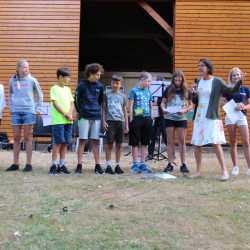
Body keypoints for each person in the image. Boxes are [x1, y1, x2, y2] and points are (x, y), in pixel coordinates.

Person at [191, 58, 242, 181]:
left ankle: (224, 171)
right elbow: (195, 101)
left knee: (215, 142)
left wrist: (239, 82)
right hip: (199, 116)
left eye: (202, 66)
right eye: (199, 66)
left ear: (208, 68)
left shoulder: (217, 81)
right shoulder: (199, 82)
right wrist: (193, 94)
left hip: (212, 116)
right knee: (197, 143)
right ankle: (198, 171)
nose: (200, 68)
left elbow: (231, 90)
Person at [7, 59, 43, 172]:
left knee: (27, 137)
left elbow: (40, 95)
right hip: (16, 112)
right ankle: (15, 163)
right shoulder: (12, 81)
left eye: (27, 67)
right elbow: (10, 94)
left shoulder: (32, 80)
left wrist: (35, 109)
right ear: (18, 68)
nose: (26, 69)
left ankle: (28, 164)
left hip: (29, 111)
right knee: (16, 137)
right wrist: (11, 107)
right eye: (24, 67)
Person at [74, 63, 104, 174]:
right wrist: (80, 112)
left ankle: (97, 165)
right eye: (97, 74)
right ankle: (79, 165)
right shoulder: (81, 85)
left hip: (96, 117)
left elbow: (101, 102)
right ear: (90, 74)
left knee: (95, 141)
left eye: (100, 75)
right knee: (82, 140)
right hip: (84, 117)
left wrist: (101, 117)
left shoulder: (100, 86)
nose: (99, 77)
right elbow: (76, 100)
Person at [161, 70, 193, 174]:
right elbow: (163, 103)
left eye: (180, 78)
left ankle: (183, 164)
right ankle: (170, 164)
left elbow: (191, 105)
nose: (178, 80)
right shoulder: (168, 89)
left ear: (182, 79)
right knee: (170, 142)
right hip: (169, 118)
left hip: (181, 118)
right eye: (176, 78)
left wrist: (184, 110)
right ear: (173, 79)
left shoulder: (187, 90)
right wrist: (164, 109)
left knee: (182, 142)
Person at [223, 67, 250, 177]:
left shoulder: (246, 89)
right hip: (230, 116)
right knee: (233, 142)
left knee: (246, 142)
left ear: (241, 76)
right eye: (234, 75)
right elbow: (221, 103)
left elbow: (249, 104)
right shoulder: (228, 89)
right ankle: (235, 167)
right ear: (231, 77)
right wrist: (234, 106)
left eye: (238, 74)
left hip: (242, 116)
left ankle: (249, 168)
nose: (236, 76)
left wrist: (243, 106)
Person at [49, 67, 74, 175]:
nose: (69, 79)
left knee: (65, 142)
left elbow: (72, 102)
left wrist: (70, 113)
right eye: (67, 77)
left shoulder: (68, 89)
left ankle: (62, 165)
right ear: (60, 77)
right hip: (58, 121)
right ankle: (54, 165)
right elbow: (55, 103)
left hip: (68, 121)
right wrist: (65, 114)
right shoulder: (54, 88)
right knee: (57, 142)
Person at [102, 74, 128, 174]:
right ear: (111, 83)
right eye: (113, 83)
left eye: (117, 83)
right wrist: (103, 121)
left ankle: (117, 165)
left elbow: (125, 110)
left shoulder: (123, 96)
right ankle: (108, 165)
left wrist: (126, 124)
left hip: (120, 122)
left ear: (120, 84)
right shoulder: (106, 94)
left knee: (119, 144)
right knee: (109, 143)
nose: (115, 85)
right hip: (110, 121)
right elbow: (103, 109)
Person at [128, 72, 153, 174]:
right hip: (137, 119)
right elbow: (130, 105)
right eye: (148, 81)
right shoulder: (133, 91)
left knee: (145, 142)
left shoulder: (148, 91)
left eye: (149, 81)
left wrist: (152, 117)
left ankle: (142, 163)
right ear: (142, 80)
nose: (149, 83)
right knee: (134, 142)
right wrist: (131, 118)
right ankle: (135, 163)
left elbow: (150, 105)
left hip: (147, 119)